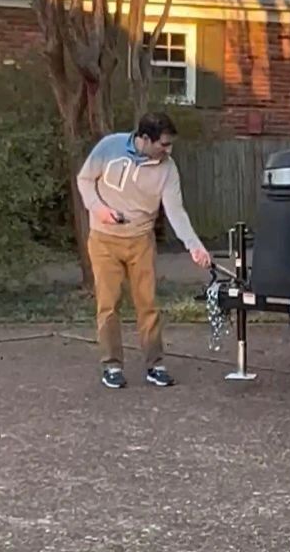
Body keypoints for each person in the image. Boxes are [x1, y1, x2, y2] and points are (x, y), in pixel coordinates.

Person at [76, 112, 211, 390]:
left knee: (147, 303)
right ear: (145, 139)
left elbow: (175, 211)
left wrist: (194, 246)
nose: (168, 150)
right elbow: (85, 180)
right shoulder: (109, 147)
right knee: (108, 304)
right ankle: (112, 365)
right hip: (104, 239)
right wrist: (99, 210)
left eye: (170, 144)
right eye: (164, 144)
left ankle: (155, 364)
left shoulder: (167, 169)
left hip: (140, 240)